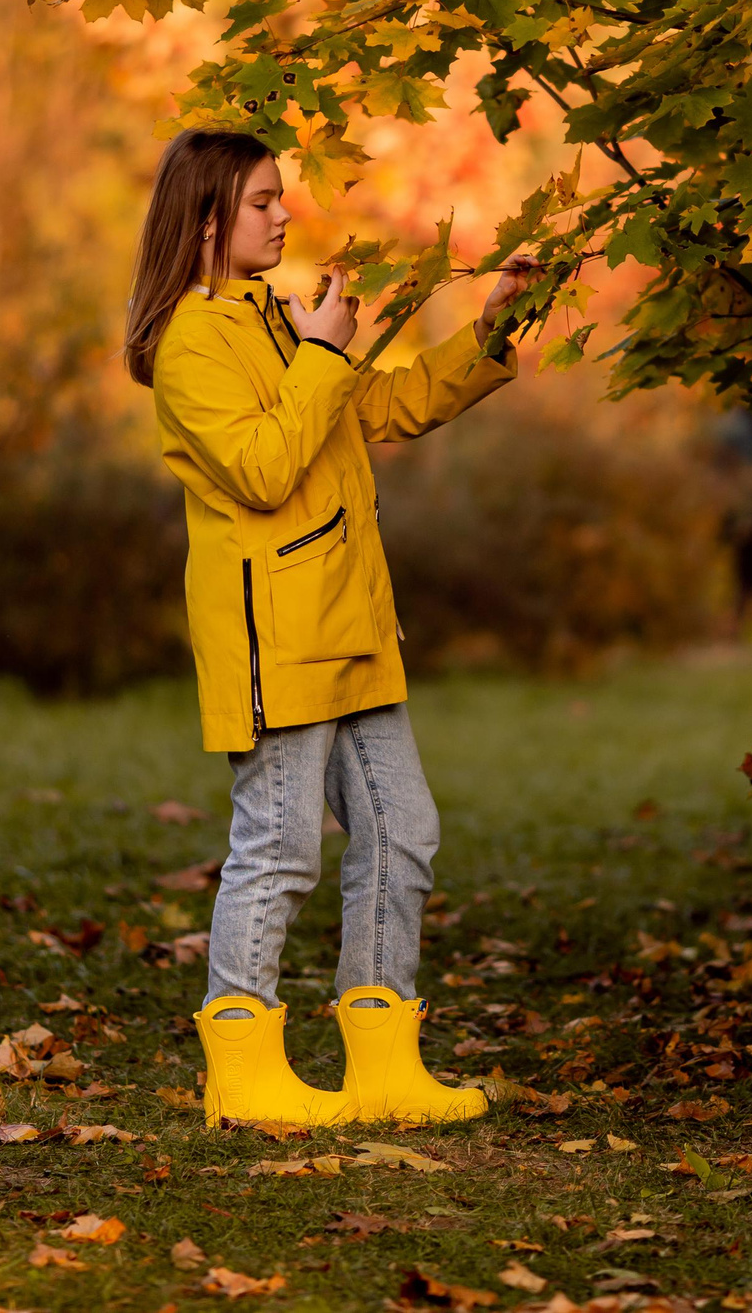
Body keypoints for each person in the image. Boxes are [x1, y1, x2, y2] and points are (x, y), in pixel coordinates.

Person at [122, 128, 543, 1129]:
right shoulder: (190, 344)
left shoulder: (276, 319)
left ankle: (382, 1060)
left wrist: (485, 333)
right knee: (279, 847)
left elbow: (379, 410)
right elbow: (263, 469)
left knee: (404, 832)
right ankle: (242, 1068)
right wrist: (318, 352)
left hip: (351, 624)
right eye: (264, 201)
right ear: (209, 216)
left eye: (281, 199)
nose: (283, 216)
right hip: (279, 636)